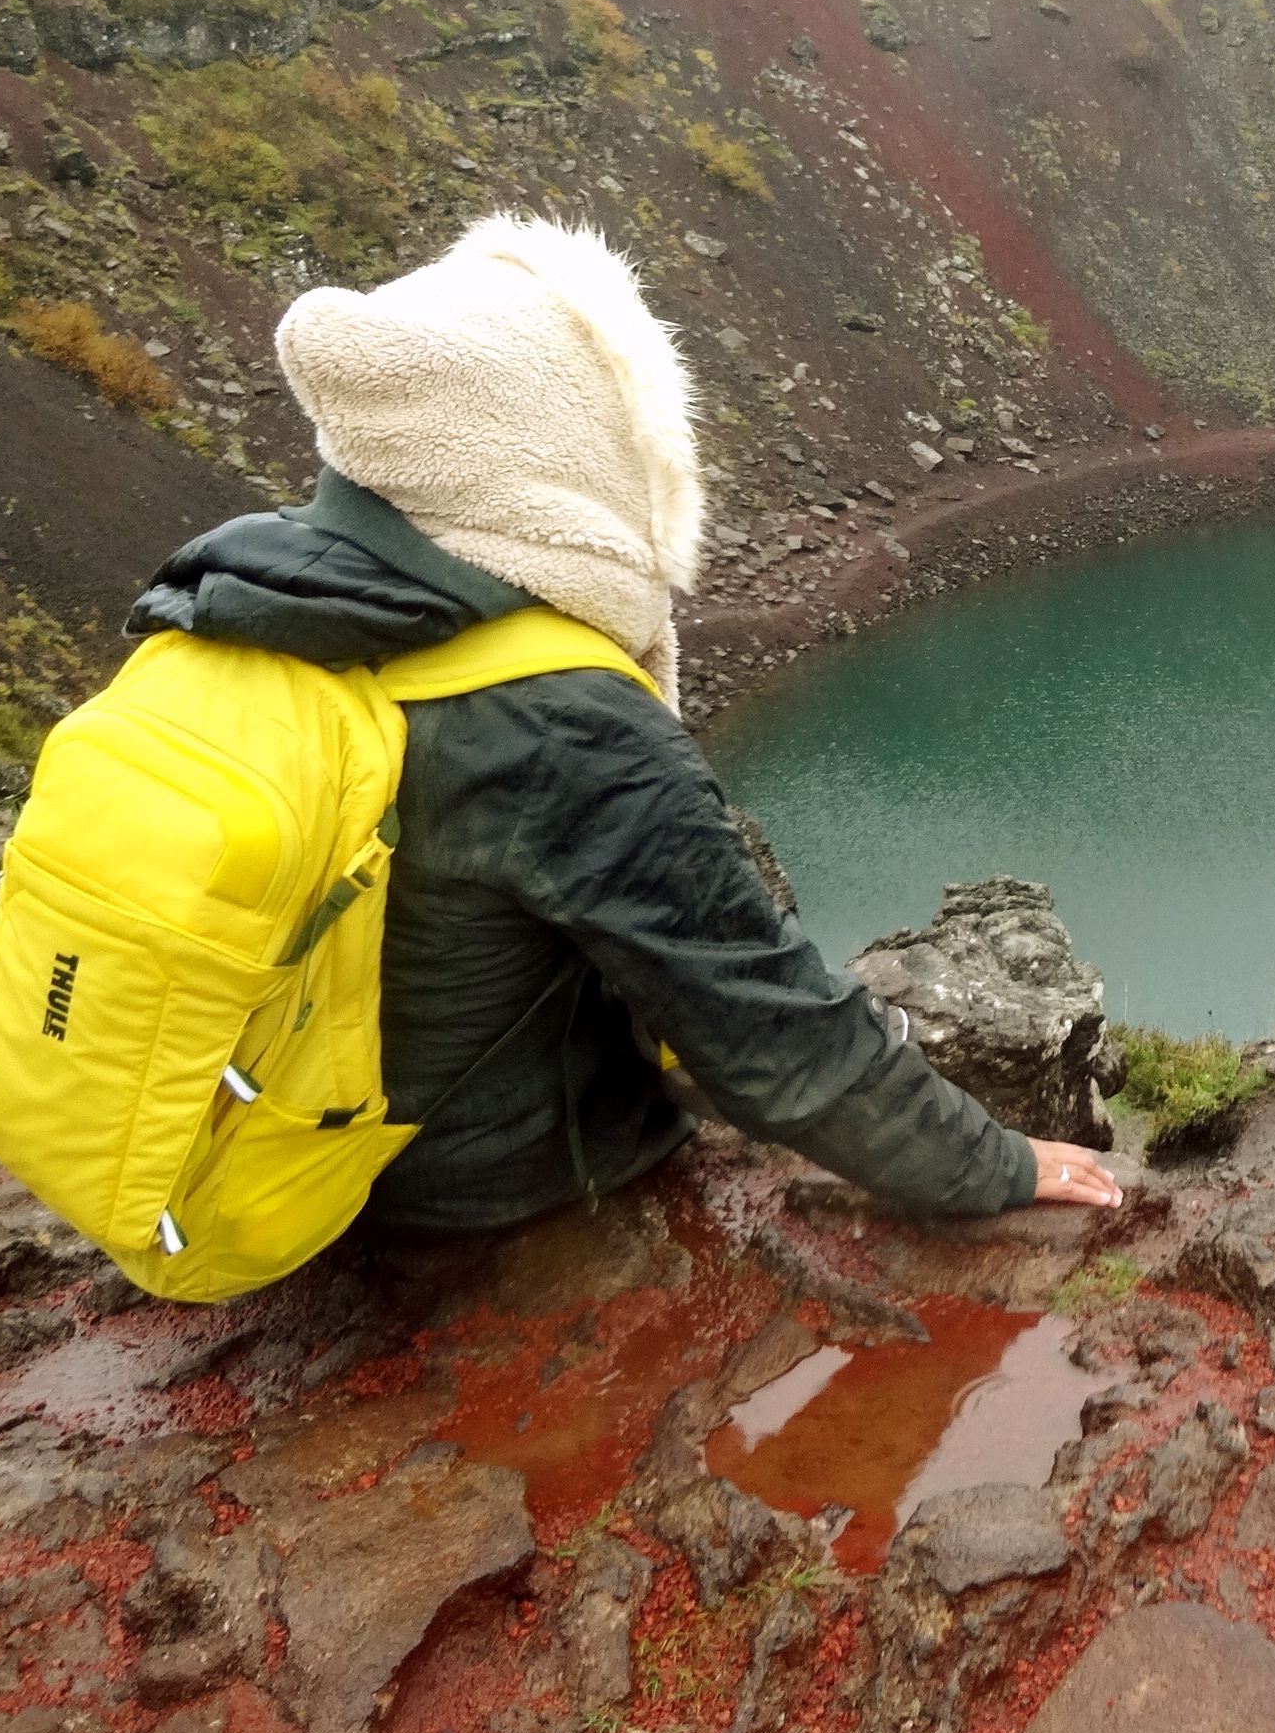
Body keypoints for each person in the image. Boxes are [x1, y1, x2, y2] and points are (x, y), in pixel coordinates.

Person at [123, 213, 1122, 1236]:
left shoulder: (232, 598)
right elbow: (769, 1029)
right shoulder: (560, 724)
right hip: (471, 1203)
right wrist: (991, 1163)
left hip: (233, 1141)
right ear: (561, 441)